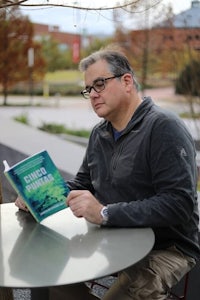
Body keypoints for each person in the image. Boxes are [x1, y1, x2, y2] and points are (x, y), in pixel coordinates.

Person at [15, 47, 200, 300]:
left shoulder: (163, 127)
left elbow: (179, 204)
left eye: (99, 84)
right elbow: (83, 184)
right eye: (88, 89)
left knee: (130, 290)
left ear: (126, 81)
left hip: (167, 246)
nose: (92, 95)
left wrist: (104, 213)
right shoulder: (99, 134)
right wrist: (37, 195)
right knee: (45, 267)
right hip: (115, 234)